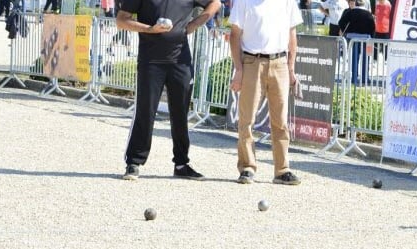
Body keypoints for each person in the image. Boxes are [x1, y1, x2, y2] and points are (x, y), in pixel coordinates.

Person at [117, 0, 220, 181]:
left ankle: (181, 164)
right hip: (150, 61)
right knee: (145, 112)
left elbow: (215, 3)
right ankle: (133, 162)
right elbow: (122, 20)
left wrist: (194, 25)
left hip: (180, 61)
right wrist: (150, 29)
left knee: (181, 114)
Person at [228, 0, 303, 185]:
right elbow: (235, 36)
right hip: (252, 61)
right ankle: (247, 167)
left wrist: (292, 70)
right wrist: (238, 69)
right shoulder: (244, 2)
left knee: (281, 121)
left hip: (280, 63)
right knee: (247, 119)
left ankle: (282, 169)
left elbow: (292, 36)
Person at [337, 0, 374, 85]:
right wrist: (371, 37)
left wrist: (346, 32)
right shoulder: (368, 14)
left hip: (353, 38)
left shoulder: (351, 12)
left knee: (354, 58)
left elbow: (341, 22)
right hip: (366, 39)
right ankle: (365, 79)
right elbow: (373, 27)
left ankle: (353, 78)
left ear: (356, 4)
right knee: (366, 59)